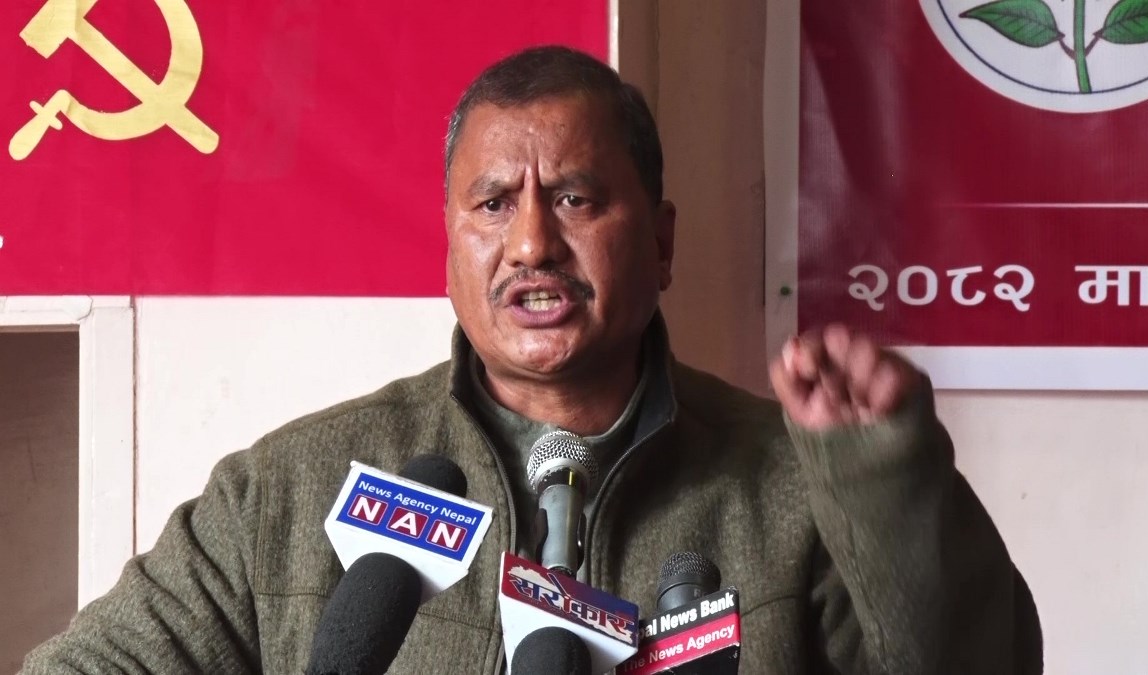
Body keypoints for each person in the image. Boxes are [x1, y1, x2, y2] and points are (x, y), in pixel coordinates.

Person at [22, 46, 1042, 674]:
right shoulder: (289, 489)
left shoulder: (793, 488)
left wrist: (883, 477)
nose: (530, 245)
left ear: (663, 241)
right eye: (493, 204)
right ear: (449, 246)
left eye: (574, 199)